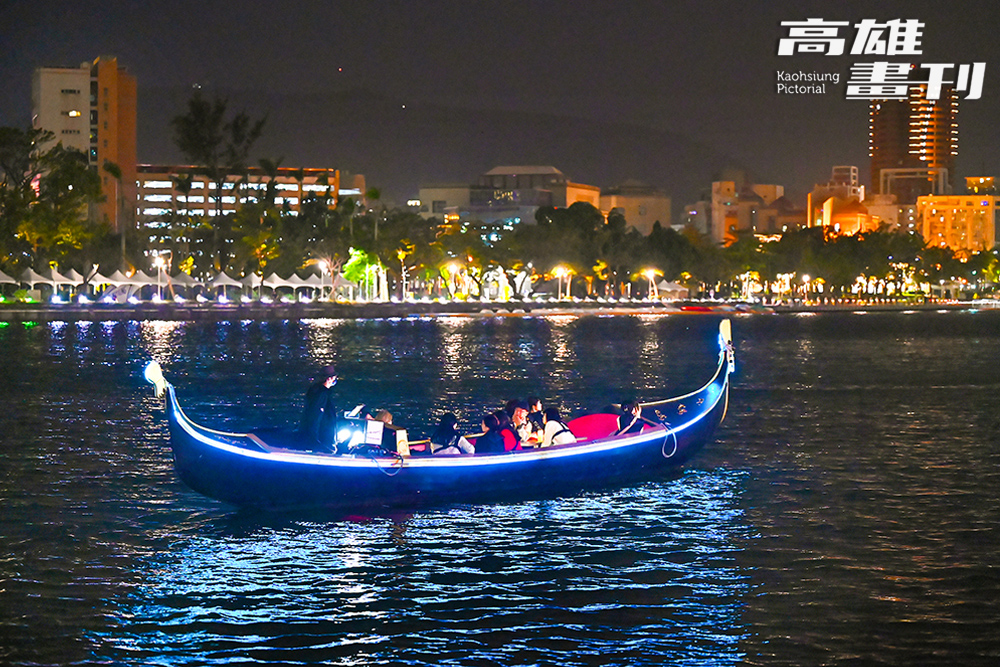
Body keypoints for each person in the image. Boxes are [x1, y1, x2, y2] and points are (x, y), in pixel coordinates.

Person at [298, 365, 339, 450]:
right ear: (329, 379)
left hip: (313, 434)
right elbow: (316, 415)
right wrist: (315, 440)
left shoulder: (315, 390)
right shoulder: (322, 394)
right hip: (321, 436)